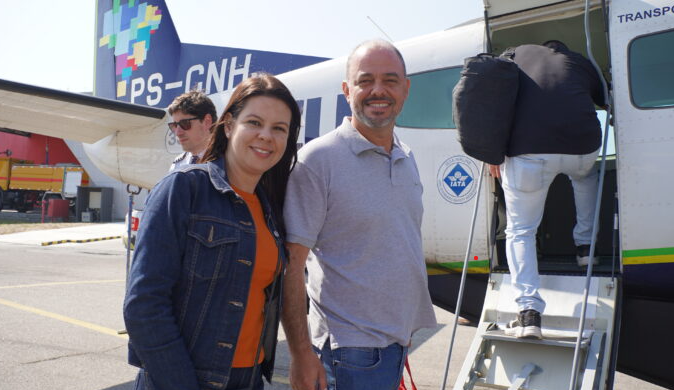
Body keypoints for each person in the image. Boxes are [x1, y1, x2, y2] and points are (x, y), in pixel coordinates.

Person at [123, 74, 301, 390]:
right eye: (255, 122)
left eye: (279, 128)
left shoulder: (268, 209)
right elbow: (143, 308)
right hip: (185, 380)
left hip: (247, 380)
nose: (266, 136)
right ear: (229, 125)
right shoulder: (183, 188)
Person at [281, 39, 437, 390]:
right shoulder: (318, 160)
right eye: (365, 80)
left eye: (390, 80)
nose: (377, 90)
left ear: (406, 89)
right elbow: (291, 267)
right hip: (349, 353)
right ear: (346, 90)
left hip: (394, 343)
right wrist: (300, 354)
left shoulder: (405, 156)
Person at [488, 40, 605, 339]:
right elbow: (605, 98)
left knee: (521, 230)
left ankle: (529, 313)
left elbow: (495, 103)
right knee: (585, 178)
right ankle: (585, 249)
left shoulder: (516, 55)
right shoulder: (579, 61)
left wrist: (492, 152)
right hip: (582, 147)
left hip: (530, 152)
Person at [167, 90, 217, 170]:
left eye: (185, 123)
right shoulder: (177, 165)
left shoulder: (228, 163)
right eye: (175, 125)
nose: (178, 132)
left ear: (207, 122)